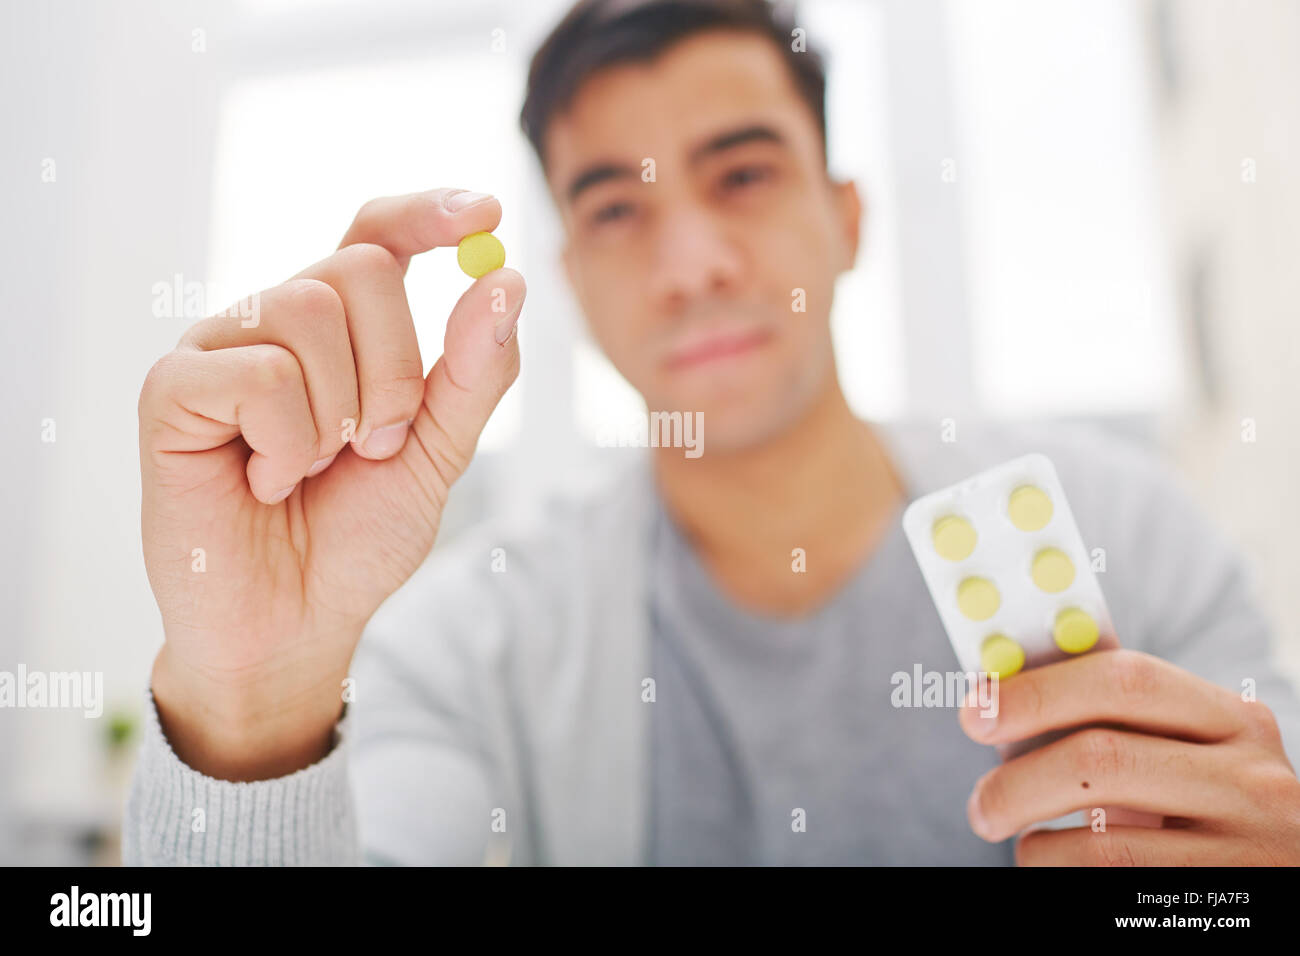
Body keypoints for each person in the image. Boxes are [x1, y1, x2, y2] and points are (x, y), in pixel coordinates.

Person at [125, 0, 1300, 865]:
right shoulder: (468, 643)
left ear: (845, 221)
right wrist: (252, 702)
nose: (691, 263)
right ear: (572, 278)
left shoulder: (1125, 535)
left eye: (740, 175)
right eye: (619, 209)